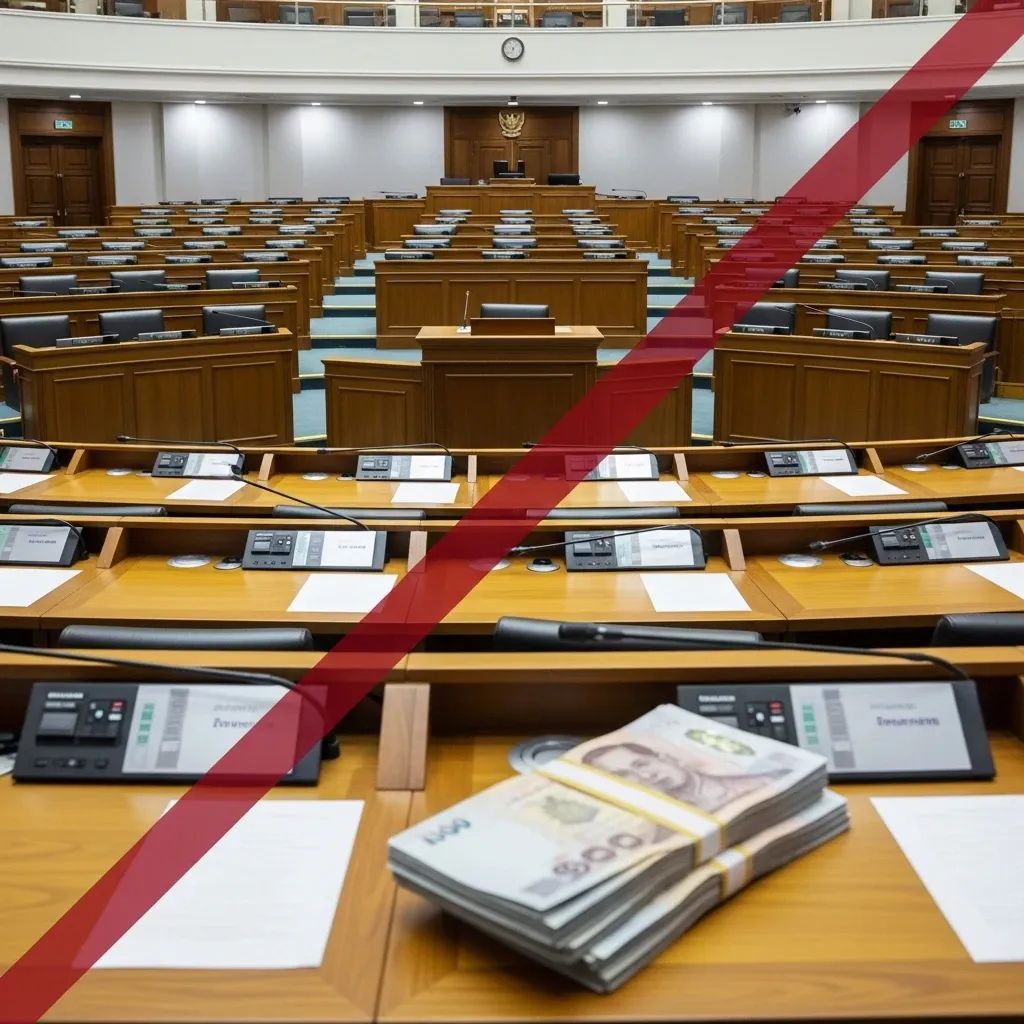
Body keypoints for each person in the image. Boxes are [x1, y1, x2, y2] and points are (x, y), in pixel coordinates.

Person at [581, 740, 790, 814]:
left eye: (641, 764)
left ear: (666, 758)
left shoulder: (769, 782)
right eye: (626, 775)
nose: (646, 776)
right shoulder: (658, 836)